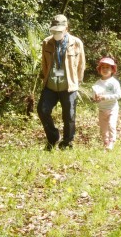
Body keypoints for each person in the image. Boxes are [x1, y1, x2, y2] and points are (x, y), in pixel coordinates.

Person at [37, 14, 85, 150]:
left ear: (66, 28)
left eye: (59, 30)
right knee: (42, 110)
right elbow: (44, 63)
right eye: (54, 30)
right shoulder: (47, 42)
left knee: (69, 116)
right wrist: (45, 78)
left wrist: (78, 82)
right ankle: (53, 137)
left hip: (69, 85)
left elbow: (81, 64)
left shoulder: (76, 43)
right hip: (50, 85)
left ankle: (67, 142)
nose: (56, 33)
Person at [92, 57, 121, 150]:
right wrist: (95, 98)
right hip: (102, 109)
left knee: (111, 125)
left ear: (112, 70)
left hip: (112, 108)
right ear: (99, 69)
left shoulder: (114, 82)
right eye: (103, 67)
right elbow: (94, 95)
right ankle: (106, 142)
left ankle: (112, 141)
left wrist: (106, 97)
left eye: (107, 68)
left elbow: (118, 95)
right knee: (103, 127)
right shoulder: (97, 83)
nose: (105, 69)